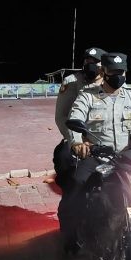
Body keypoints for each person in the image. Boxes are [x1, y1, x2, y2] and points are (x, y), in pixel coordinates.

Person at [58, 52, 131, 254]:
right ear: (104, 71)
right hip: (96, 155)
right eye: (113, 72)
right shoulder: (88, 95)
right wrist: (77, 142)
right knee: (77, 185)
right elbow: (75, 118)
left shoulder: (130, 95)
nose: (118, 76)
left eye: (121, 72)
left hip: (125, 156)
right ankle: (71, 237)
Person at [53, 47, 106, 189]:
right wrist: (75, 141)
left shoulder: (110, 82)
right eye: (87, 60)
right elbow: (61, 116)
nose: (90, 64)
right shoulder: (71, 81)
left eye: (95, 61)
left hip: (104, 135)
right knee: (63, 156)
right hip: (78, 135)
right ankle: (71, 193)